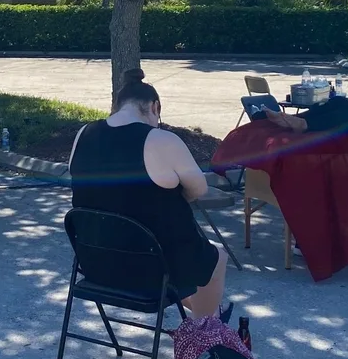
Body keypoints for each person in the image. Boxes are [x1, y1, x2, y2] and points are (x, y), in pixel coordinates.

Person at [68, 69, 228, 319]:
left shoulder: (83, 134)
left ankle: (202, 312)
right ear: (155, 107)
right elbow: (199, 189)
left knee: (182, 258)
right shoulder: (161, 139)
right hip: (150, 270)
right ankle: (204, 332)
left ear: (117, 105)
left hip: (96, 263)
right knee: (215, 258)